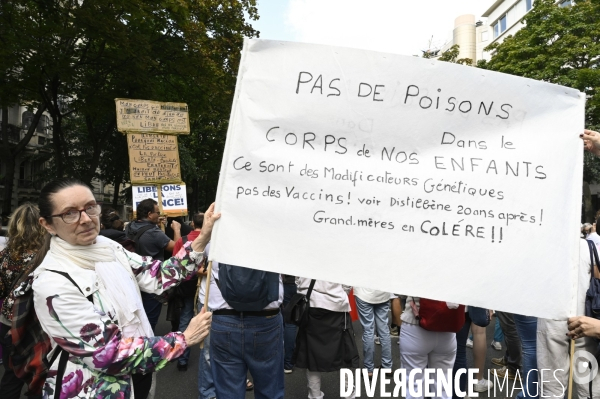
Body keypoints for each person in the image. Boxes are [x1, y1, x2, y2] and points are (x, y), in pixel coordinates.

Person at [25, 178, 215, 399]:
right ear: (47, 224)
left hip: (138, 378)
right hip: (97, 390)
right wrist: (184, 339)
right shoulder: (52, 283)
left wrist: (202, 238)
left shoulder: (109, 247)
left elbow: (157, 275)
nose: (86, 219)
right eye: (69, 213)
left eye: (90, 207)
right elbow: (108, 355)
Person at [208, 260, 284, 399]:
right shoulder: (276, 239)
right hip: (266, 320)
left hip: (224, 319)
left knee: (228, 392)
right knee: (269, 390)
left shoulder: (215, 239)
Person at [539, 239, 600, 397]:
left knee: (552, 387)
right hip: (587, 320)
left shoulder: (544, 245)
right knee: (588, 385)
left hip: (554, 319)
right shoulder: (590, 247)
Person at [0, 203, 46, 399]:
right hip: (38, 323)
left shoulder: (5, 255)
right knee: (40, 374)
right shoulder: (47, 256)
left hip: (9, 322)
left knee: (12, 374)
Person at [295, 278, 360, 399]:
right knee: (344, 350)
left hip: (310, 302)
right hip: (336, 303)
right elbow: (347, 282)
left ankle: (315, 395)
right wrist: (338, 294)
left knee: (311, 353)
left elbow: (298, 279)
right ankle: (349, 392)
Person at [125, 198, 181, 331]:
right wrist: (176, 230)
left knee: (135, 317)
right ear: (150, 214)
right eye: (157, 212)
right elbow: (177, 249)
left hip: (133, 278)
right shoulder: (153, 233)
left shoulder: (130, 227)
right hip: (151, 280)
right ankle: (148, 345)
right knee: (150, 320)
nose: (159, 215)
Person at [400, 297, 456, 399]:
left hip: (414, 324)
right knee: (442, 388)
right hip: (447, 326)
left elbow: (399, 292)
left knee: (414, 389)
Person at [167, 212, 203, 372]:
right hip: (207, 287)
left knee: (185, 319)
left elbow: (175, 263)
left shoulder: (182, 240)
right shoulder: (214, 241)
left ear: (193, 224)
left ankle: (182, 359)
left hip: (187, 286)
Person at [353, 287, 393, 378]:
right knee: (384, 331)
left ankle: (369, 370)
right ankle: (387, 366)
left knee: (368, 331)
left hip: (363, 293)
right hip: (383, 293)